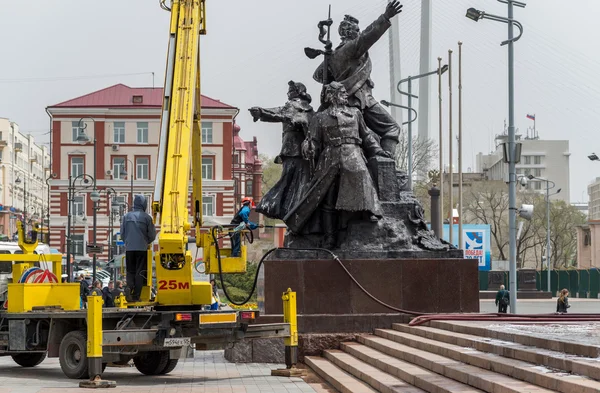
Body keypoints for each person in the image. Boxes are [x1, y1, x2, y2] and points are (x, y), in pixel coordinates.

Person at [283, 82, 390, 249]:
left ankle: (369, 211)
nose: (345, 95)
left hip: (353, 153)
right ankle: (329, 237)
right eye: (341, 92)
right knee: (328, 198)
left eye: (345, 92)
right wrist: (308, 147)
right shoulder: (320, 118)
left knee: (361, 176)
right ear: (331, 96)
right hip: (329, 158)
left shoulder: (355, 114)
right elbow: (312, 141)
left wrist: (377, 150)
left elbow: (367, 136)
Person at [309, 1, 404, 156]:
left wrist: (329, 57)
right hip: (361, 100)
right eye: (356, 30)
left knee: (370, 137)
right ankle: (385, 163)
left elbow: (319, 76)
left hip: (344, 102)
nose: (359, 32)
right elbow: (368, 36)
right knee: (391, 127)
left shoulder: (333, 55)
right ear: (348, 32)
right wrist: (385, 16)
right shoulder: (351, 48)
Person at [250, 81, 315, 220]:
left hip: (294, 151)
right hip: (300, 152)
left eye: (290, 91)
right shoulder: (307, 109)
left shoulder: (295, 105)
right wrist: (262, 112)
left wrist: (261, 112)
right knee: (297, 183)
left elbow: (278, 113)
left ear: (298, 93)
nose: (288, 94)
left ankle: (273, 205)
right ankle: (285, 209)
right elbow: (279, 113)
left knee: (291, 181)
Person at [121, 195, 156, 302]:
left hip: (129, 248)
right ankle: (136, 295)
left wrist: (127, 242)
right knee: (140, 271)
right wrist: (146, 242)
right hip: (142, 248)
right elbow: (152, 235)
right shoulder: (146, 217)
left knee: (130, 271)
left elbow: (122, 234)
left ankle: (128, 287)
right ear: (144, 204)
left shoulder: (126, 216)